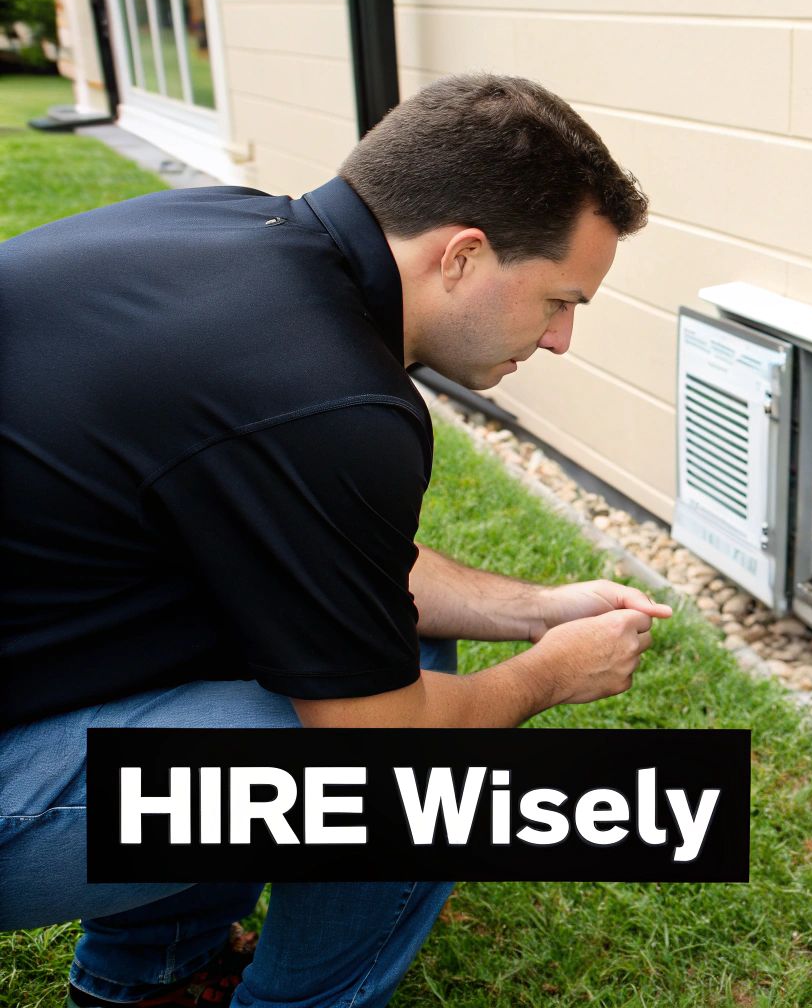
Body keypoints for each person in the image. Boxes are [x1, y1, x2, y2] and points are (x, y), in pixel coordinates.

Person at [0, 74, 673, 1006]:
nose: (559, 340)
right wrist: (551, 673)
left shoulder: (225, 231)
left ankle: (155, 977)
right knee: (414, 772)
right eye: (561, 301)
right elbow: (380, 747)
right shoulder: (331, 398)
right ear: (464, 256)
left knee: (390, 644)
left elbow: (324, 559)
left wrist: (538, 611)